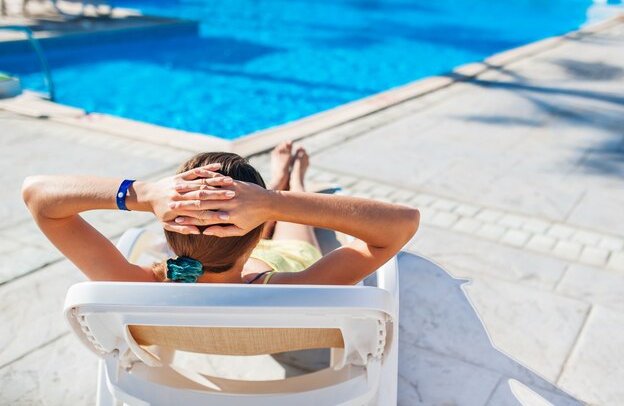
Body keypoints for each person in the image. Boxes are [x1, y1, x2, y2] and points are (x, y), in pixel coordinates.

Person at [22, 142, 420, 285]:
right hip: (272, 264)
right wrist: (276, 202)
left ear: (170, 226)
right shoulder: (296, 285)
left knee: (282, 232)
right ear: (257, 224)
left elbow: (38, 194)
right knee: (298, 232)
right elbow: (402, 223)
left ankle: (283, 184)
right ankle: (293, 185)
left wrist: (144, 192)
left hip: (230, 260)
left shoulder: (137, 281)